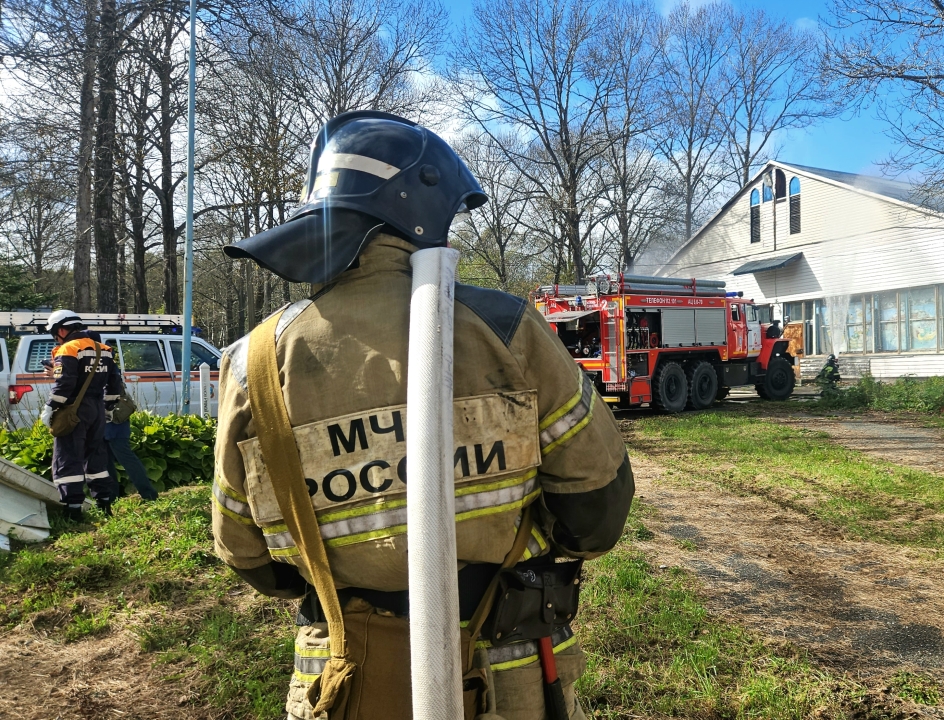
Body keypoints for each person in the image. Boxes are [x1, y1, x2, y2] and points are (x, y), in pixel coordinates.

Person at [210, 111, 633, 720]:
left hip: (339, 682)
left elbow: (243, 551)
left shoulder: (252, 363)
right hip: (505, 674)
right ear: (421, 209)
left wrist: (345, 580)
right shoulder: (505, 331)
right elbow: (597, 511)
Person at [39, 310, 123, 522]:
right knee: (96, 457)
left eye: (54, 333)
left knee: (67, 457)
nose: (55, 338)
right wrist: (109, 406)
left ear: (62, 329)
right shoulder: (104, 349)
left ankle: (73, 511)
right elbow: (114, 383)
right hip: (97, 409)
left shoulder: (68, 348)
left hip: (74, 410)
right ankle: (105, 504)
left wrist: (49, 407)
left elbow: (65, 384)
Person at [103, 394, 159, 501]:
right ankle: (111, 498)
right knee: (107, 461)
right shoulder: (108, 378)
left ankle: (149, 494)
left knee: (126, 459)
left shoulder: (105, 378)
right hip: (111, 424)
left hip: (113, 424)